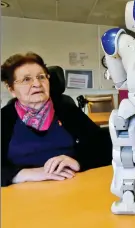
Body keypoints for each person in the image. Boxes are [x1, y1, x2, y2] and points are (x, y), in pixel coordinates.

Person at [1, 52, 112, 187]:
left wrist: (77, 162)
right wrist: (24, 174)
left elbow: (104, 148)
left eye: (41, 77)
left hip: (72, 187)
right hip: (21, 196)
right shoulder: (5, 119)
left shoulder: (67, 110)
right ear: (11, 88)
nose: (37, 84)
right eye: (26, 79)